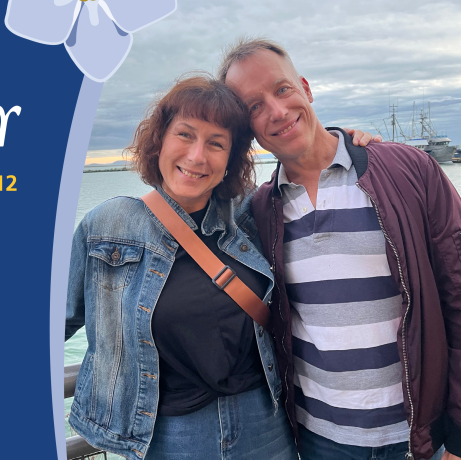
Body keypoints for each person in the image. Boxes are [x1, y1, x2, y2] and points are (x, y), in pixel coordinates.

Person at [65, 74, 377, 459]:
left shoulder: (250, 213)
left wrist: (350, 146)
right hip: (167, 435)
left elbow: (313, 183)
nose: (197, 156)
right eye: (185, 135)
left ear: (231, 159)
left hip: (265, 423)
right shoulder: (109, 225)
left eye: (216, 143)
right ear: (159, 139)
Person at [219, 36, 459, 460]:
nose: (277, 111)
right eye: (254, 106)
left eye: (282, 89)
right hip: (320, 440)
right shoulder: (260, 210)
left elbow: (457, 294)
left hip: (419, 435)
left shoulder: (408, 170)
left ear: (306, 88)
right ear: (247, 130)